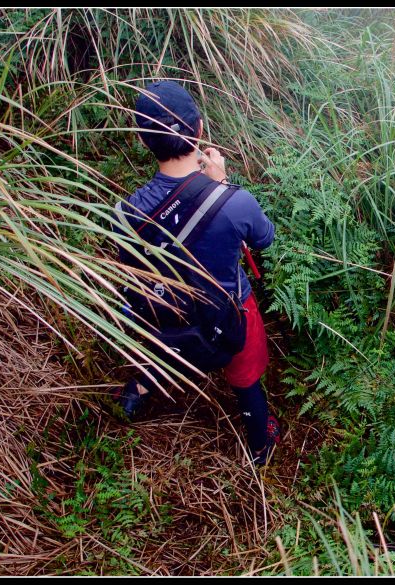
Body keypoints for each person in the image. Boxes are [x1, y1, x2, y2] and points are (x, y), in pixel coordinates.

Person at [113, 80, 279, 467]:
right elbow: (264, 238)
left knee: (159, 344)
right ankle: (260, 443)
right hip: (228, 313)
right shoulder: (235, 201)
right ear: (199, 129)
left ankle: (137, 389)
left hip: (163, 316)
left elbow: (131, 270)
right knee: (245, 375)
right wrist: (221, 183)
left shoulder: (125, 213)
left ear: (143, 142)